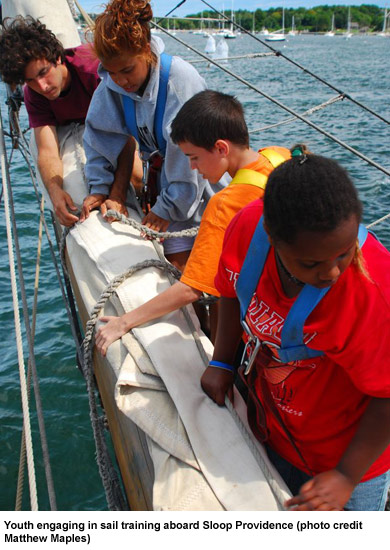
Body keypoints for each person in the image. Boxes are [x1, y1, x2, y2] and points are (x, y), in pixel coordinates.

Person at [201, 151, 390, 511]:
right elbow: (230, 291)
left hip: (348, 458)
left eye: (344, 253)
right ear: (271, 234)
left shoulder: (372, 293)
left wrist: (347, 476)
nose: (333, 272)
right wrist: (222, 363)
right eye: (312, 262)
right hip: (273, 429)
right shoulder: (246, 228)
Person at [94, 90, 290, 355]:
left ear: (221, 148)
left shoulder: (225, 204)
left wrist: (123, 322)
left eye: (194, 157)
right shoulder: (278, 156)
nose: (193, 168)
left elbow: (191, 289)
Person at [80, 0, 227, 271]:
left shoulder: (180, 81)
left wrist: (166, 209)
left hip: (203, 186)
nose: (121, 81)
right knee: (177, 271)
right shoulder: (111, 86)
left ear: (146, 51)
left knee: (213, 274)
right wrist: (100, 187)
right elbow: (99, 138)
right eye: (111, 72)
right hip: (166, 188)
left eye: (127, 70)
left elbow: (192, 159)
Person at [0, 15, 138, 226]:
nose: (42, 86)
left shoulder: (93, 70)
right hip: (68, 128)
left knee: (136, 178)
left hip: (113, 126)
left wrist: (117, 194)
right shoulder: (33, 94)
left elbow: (125, 134)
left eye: (43, 73)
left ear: (57, 58)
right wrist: (55, 192)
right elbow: (47, 150)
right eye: (30, 81)